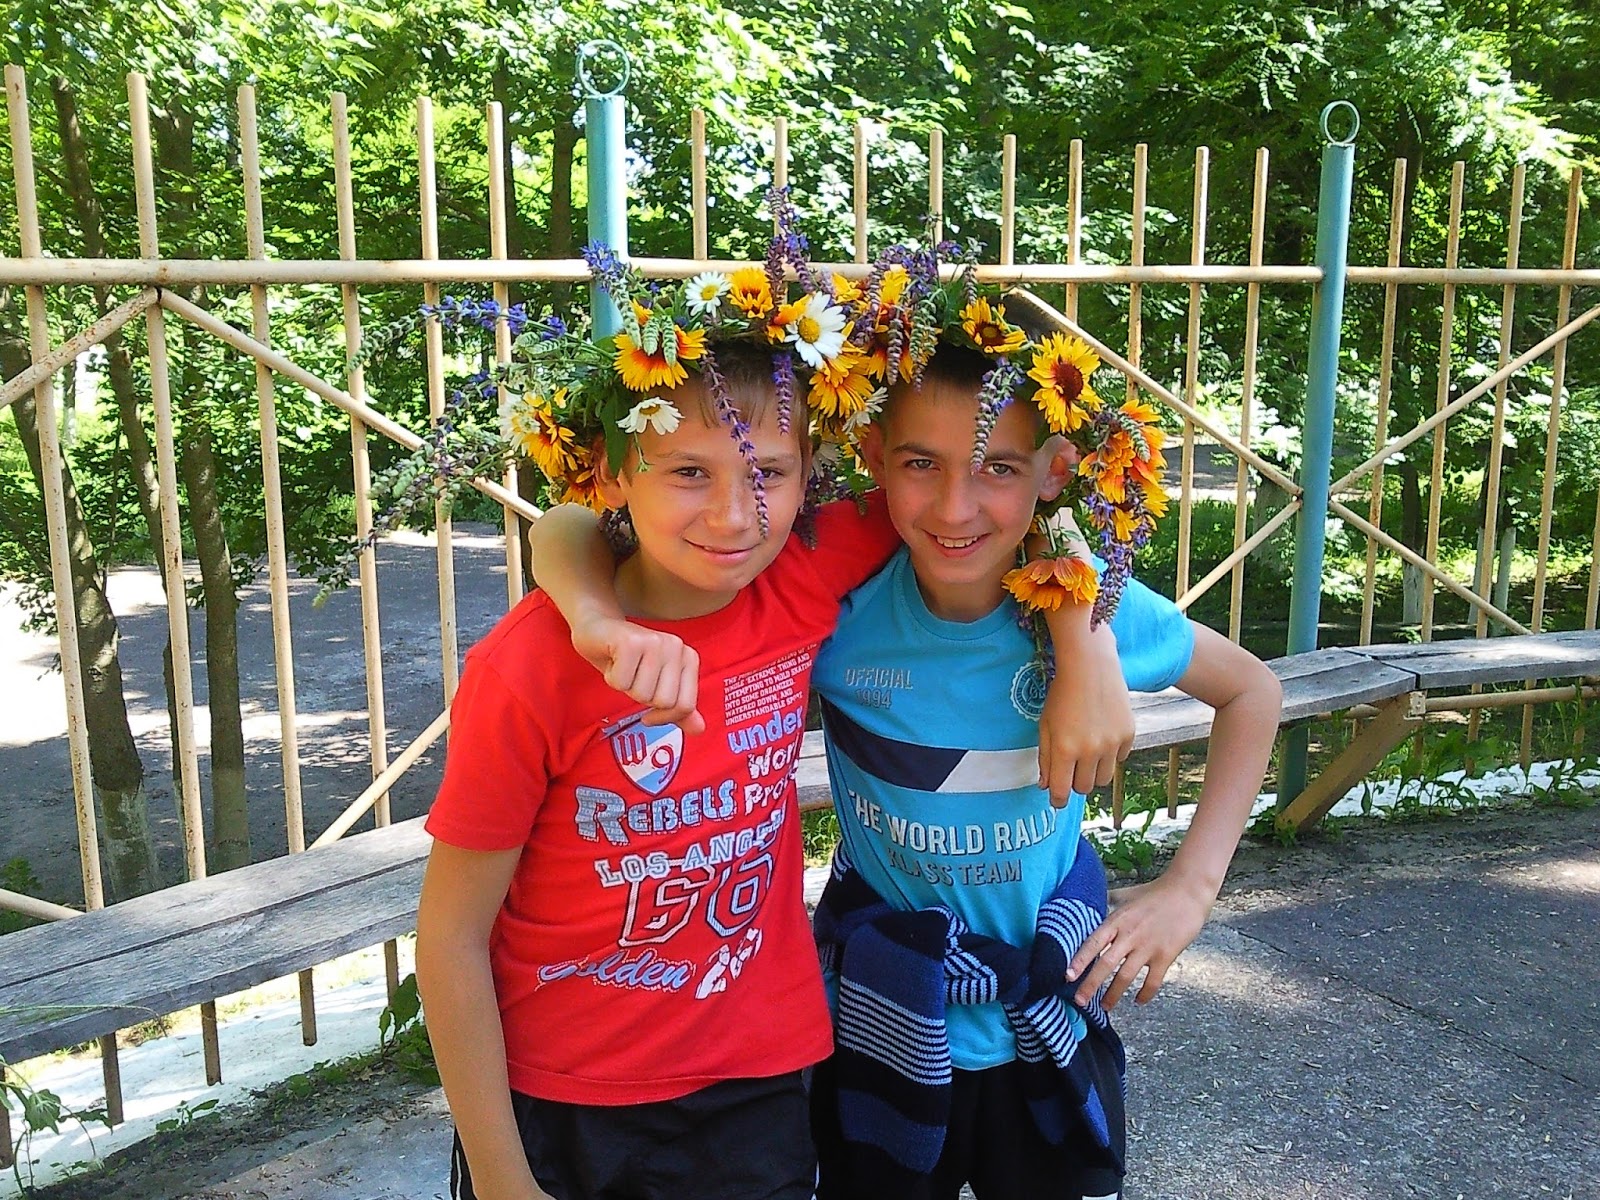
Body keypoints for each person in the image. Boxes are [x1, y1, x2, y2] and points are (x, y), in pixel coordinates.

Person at [414, 225, 1132, 1200]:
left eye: (769, 473)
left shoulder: (799, 578)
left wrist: (1085, 644)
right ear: (615, 474)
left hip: (758, 1083)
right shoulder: (533, 667)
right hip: (561, 1101)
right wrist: (502, 1178)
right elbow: (452, 937)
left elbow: (1006, 494)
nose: (733, 514)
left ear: (810, 470)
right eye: (688, 471)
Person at [535, 285, 1282, 1200]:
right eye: (921, 463)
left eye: (998, 468)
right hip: (879, 1021)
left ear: (1054, 471)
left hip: (1049, 1016)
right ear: (875, 459)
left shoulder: (1098, 611)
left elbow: (1253, 690)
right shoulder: (836, 604)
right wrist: (594, 618)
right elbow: (573, 524)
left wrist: (1190, 889)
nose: (956, 507)